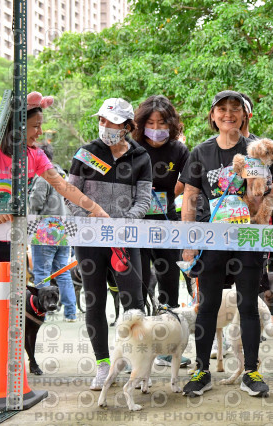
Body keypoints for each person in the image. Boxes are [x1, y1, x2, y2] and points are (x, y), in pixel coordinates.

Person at [179, 90, 273, 398]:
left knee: (247, 306)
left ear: (245, 115)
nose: (228, 114)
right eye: (222, 109)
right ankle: (202, 371)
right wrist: (188, 242)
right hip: (212, 239)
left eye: (235, 109)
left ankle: (251, 372)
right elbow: (189, 198)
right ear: (213, 116)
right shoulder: (201, 152)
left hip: (248, 238)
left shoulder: (258, 148)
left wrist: (261, 187)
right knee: (208, 305)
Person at [68, 97, 152, 390]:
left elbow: (144, 198)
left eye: (112, 122)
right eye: (102, 120)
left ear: (127, 126)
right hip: (89, 240)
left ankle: (138, 366)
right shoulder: (86, 153)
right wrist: (91, 222)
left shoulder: (141, 157)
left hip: (126, 239)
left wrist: (124, 223)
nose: (105, 126)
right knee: (94, 300)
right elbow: (72, 193)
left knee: (134, 303)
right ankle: (103, 365)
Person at [0, 91, 108, 264]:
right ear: (18, 126)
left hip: (12, 238)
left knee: (6, 288)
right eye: (35, 126)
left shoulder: (36, 155)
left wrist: (96, 209)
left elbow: (64, 186)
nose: (40, 132)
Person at [131, 95, 191, 368]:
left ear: (172, 124)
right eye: (150, 123)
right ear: (140, 125)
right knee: (137, 283)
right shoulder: (131, 147)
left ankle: (167, 349)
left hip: (166, 223)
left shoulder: (179, 150)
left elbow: (186, 185)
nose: (156, 128)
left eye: (162, 123)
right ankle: (136, 347)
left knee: (168, 281)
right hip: (135, 225)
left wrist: (166, 198)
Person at [29, 143, 78, 322]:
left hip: (45, 228)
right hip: (64, 229)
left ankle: (43, 311)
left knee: (42, 271)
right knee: (63, 273)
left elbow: (36, 202)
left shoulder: (43, 176)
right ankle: (71, 313)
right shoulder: (62, 174)